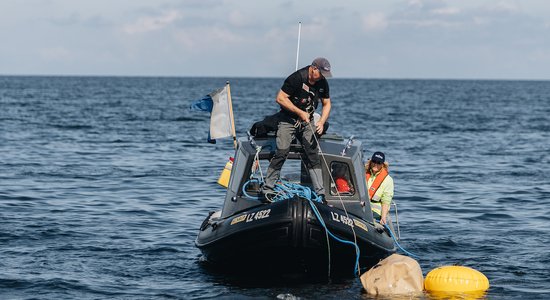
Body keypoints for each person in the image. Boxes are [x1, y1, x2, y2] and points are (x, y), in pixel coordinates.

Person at [262, 57, 333, 203]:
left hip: (308, 121)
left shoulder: (322, 83)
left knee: (312, 154)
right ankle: (268, 188)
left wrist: (321, 121)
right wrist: (299, 112)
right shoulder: (296, 78)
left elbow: (326, 103)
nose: (322, 78)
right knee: (282, 151)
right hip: (288, 120)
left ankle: (320, 193)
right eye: (321, 73)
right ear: (314, 68)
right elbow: (280, 98)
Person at [365, 151, 394, 225]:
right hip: (361, 207)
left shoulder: (388, 180)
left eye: (379, 163)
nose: (376, 164)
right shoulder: (363, 173)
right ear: (371, 162)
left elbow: (386, 200)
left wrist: (383, 217)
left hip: (376, 212)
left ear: (382, 165)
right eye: (374, 161)